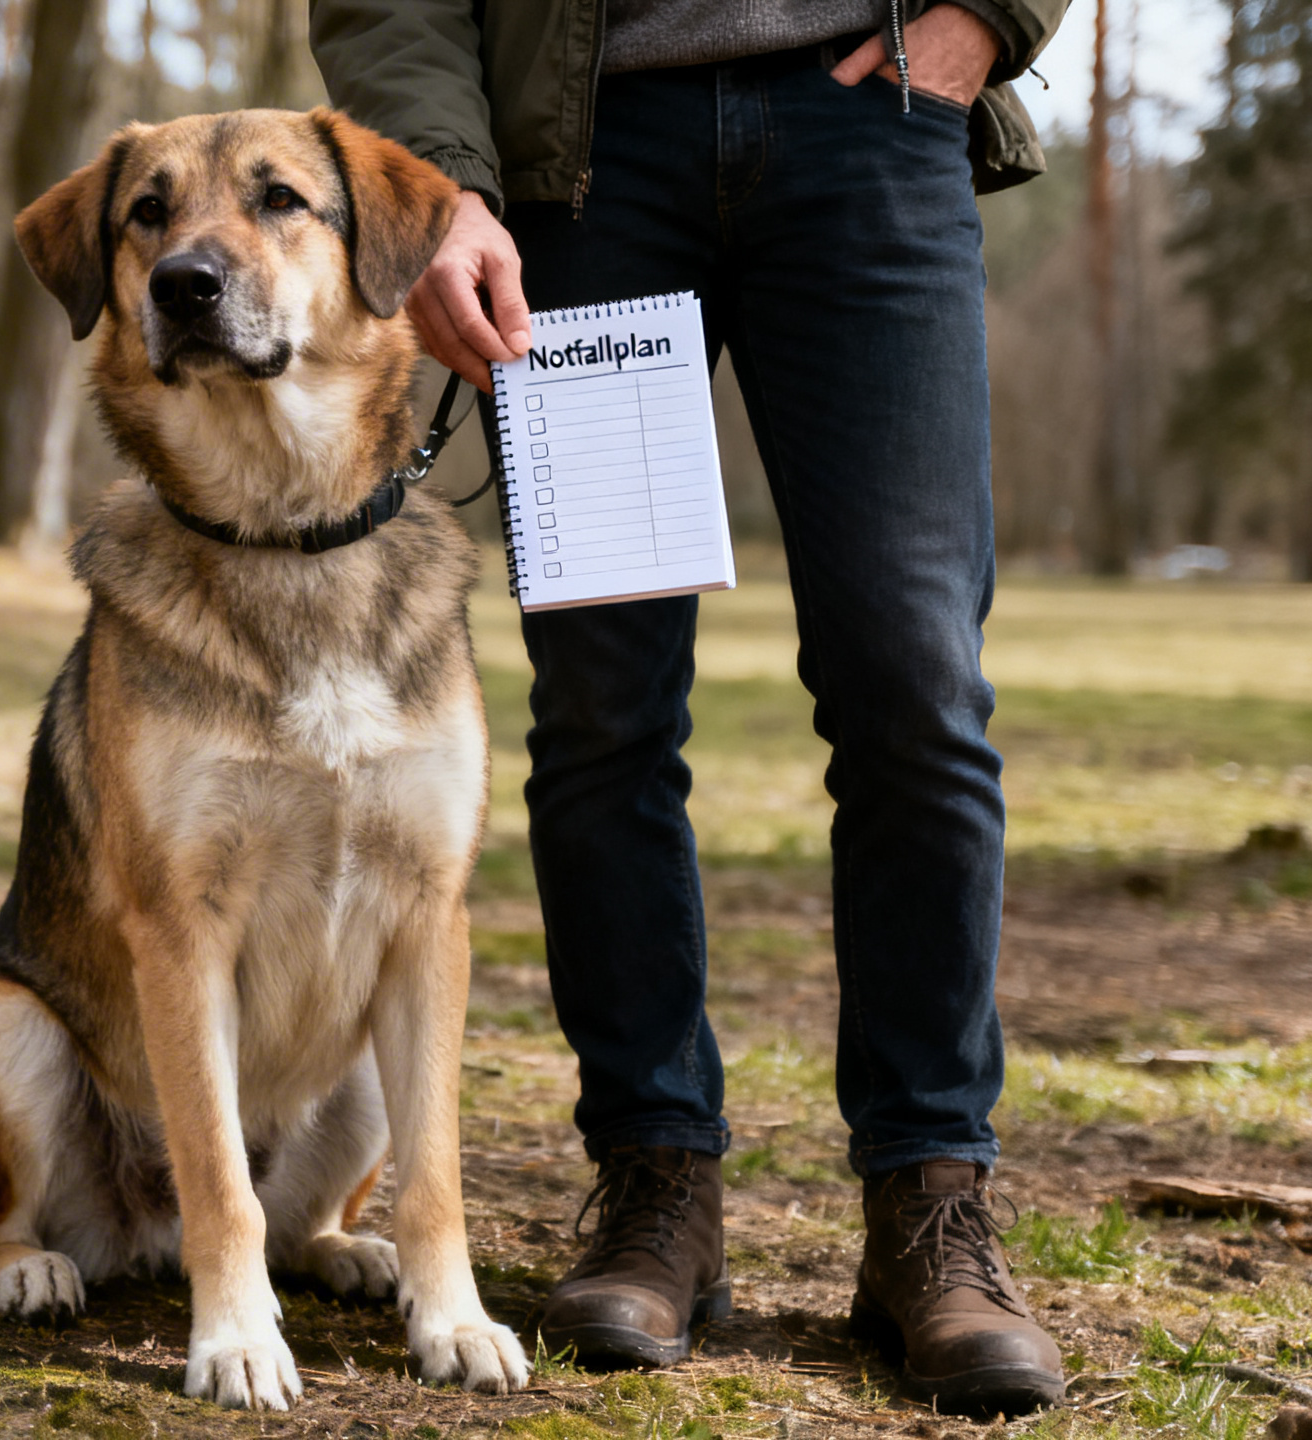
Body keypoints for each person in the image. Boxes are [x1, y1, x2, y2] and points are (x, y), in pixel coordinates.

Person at [308, 0, 1071, 1417]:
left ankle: (932, 1203)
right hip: (579, 169)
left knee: (917, 686)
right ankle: (654, 1180)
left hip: (875, 123)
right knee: (604, 705)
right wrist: (440, 183)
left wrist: (990, 13)